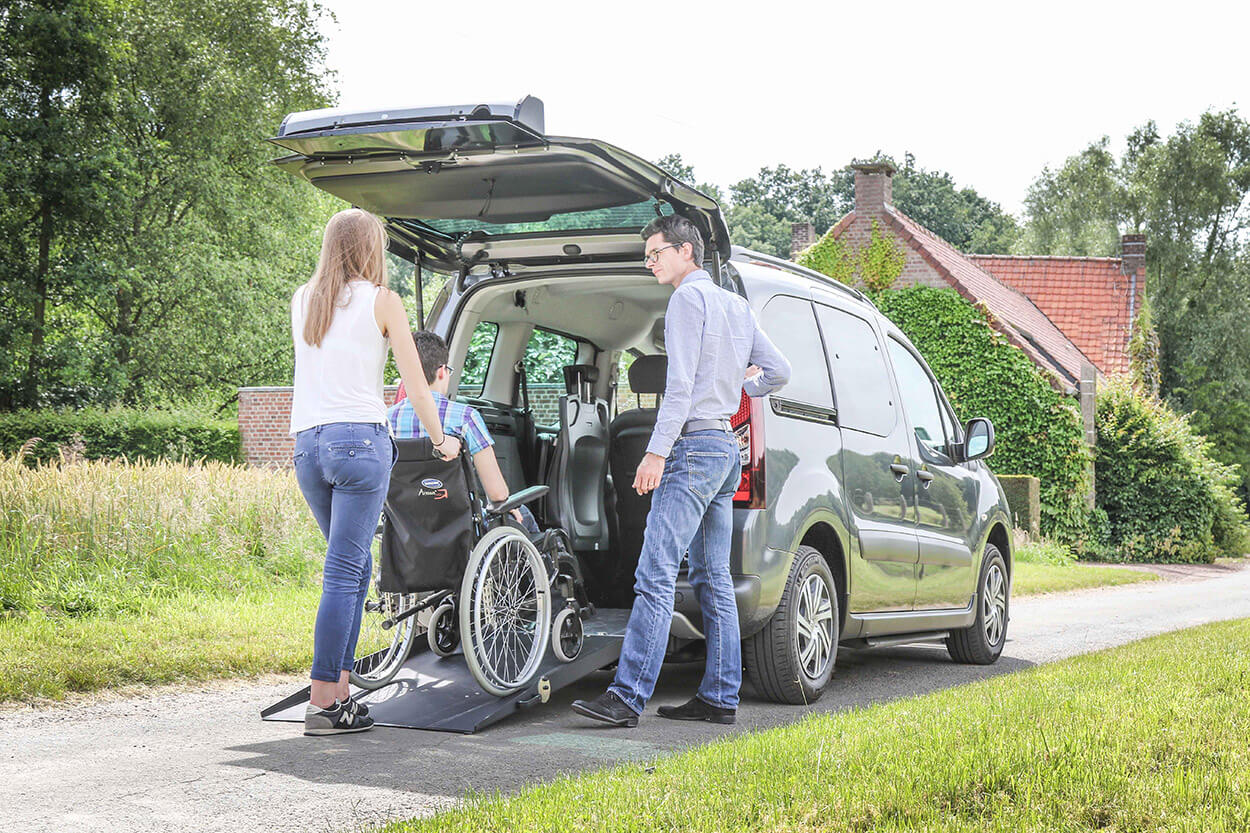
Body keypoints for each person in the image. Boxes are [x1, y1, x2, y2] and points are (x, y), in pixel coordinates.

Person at [572, 215, 791, 728]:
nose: (650, 262)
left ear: (686, 251)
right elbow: (779, 371)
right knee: (714, 577)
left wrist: (654, 452)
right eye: (647, 256)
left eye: (656, 253)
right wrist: (741, 389)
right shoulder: (737, 306)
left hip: (692, 449)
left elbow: (680, 387)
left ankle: (626, 697)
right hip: (723, 449)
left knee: (655, 573)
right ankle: (718, 695)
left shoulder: (686, 301)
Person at [290, 208, 462, 737]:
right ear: (371, 249)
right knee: (344, 572)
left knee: (354, 568)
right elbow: (416, 385)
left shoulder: (304, 299)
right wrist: (441, 440)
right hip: (358, 443)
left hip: (307, 446)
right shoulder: (383, 301)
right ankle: (322, 702)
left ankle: (340, 694)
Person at [388, 330, 540, 535]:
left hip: (403, 528)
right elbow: (497, 494)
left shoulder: (385, 421)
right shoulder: (465, 417)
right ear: (442, 371)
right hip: (459, 528)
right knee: (523, 515)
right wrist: (507, 503)